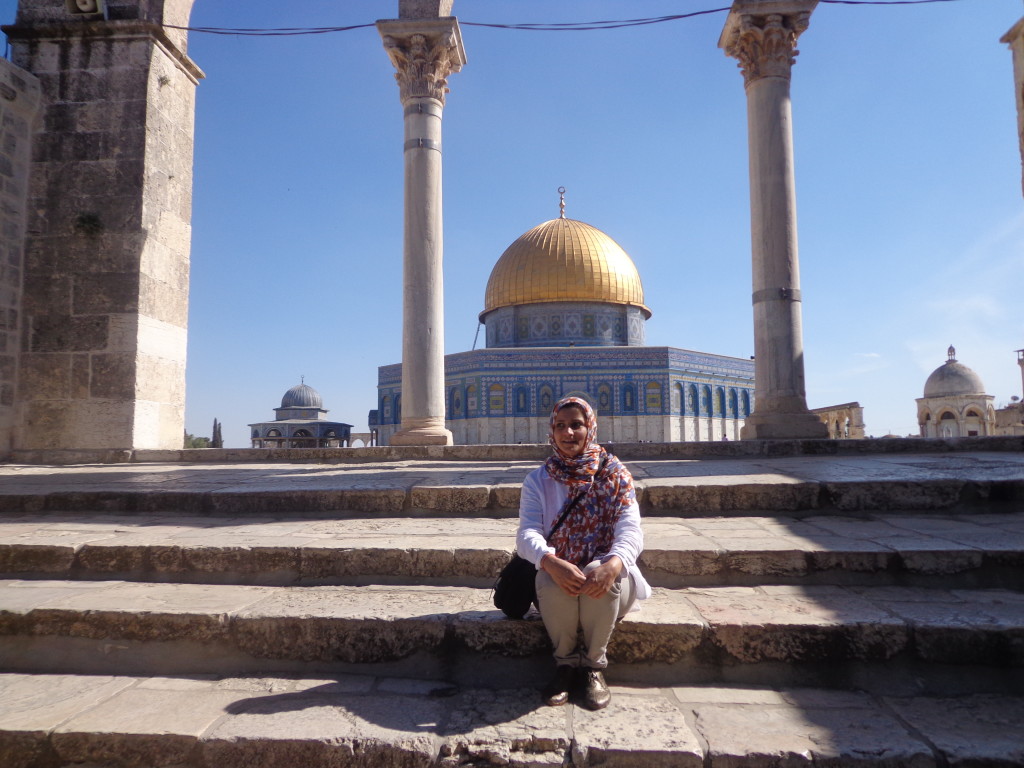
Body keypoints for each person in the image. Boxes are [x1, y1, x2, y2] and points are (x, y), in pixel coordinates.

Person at [516, 396, 650, 710]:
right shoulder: (539, 479)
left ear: (590, 427)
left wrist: (614, 564)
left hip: (612, 581)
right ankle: (565, 666)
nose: (568, 433)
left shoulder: (615, 475)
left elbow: (631, 530)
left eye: (576, 424)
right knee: (551, 578)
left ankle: (592, 667)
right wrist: (550, 561)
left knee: (598, 574)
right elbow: (527, 533)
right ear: (551, 431)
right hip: (557, 577)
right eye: (560, 426)